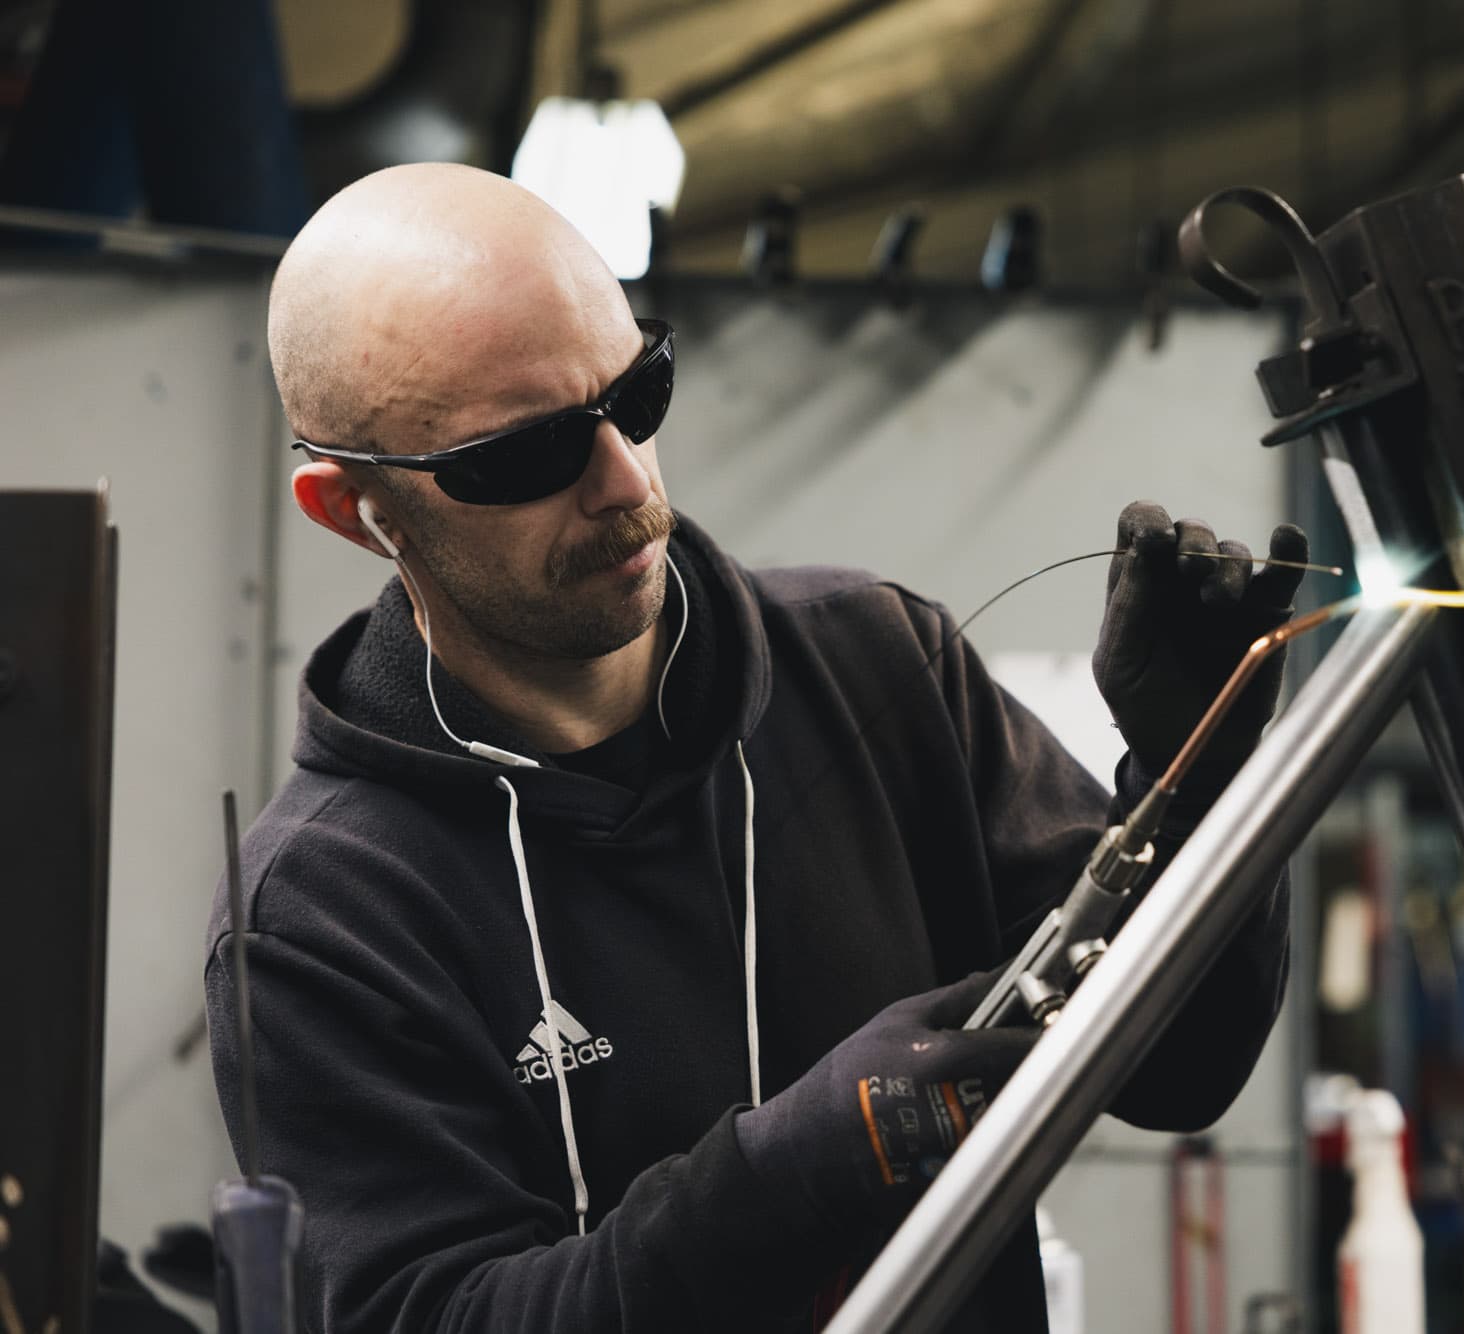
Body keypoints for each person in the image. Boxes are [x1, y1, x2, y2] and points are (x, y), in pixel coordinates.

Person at [205, 162, 1307, 1333]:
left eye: (638, 394)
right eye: (523, 455)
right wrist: (798, 1168)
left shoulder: (880, 669)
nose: (625, 481)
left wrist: (1196, 782)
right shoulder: (321, 912)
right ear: (357, 511)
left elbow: (1179, 1065)